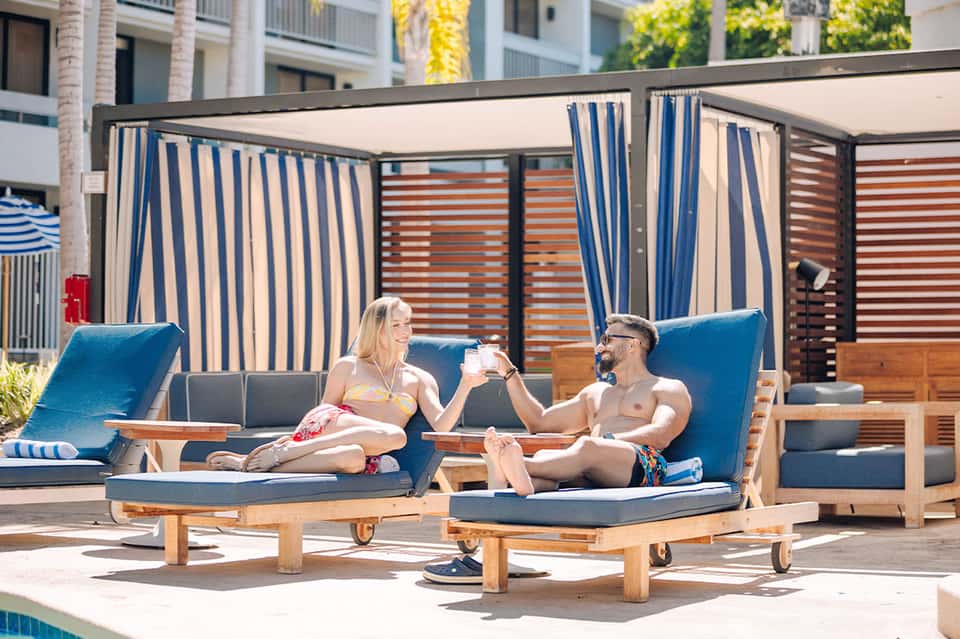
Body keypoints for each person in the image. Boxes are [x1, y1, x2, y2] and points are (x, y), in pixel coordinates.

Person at [206, 296, 488, 474]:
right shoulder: (349, 366)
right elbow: (321, 415)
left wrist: (465, 385)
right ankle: (287, 450)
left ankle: (250, 464)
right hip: (332, 425)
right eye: (396, 325)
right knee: (396, 435)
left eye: (407, 323)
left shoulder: (419, 378)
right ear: (376, 329)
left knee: (353, 458)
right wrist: (304, 442)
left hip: (363, 448)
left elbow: (441, 427)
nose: (406, 331)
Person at [483, 313, 692, 496]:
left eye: (607, 340)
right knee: (545, 458)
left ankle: (509, 466)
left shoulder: (666, 388)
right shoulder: (595, 394)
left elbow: (661, 433)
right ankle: (515, 477)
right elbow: (539, 423)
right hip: (593, 468)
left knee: (587, 446)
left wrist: (607, 441)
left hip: (645, 465)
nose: (599, 347)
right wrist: (509, 374)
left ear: (632, 345)